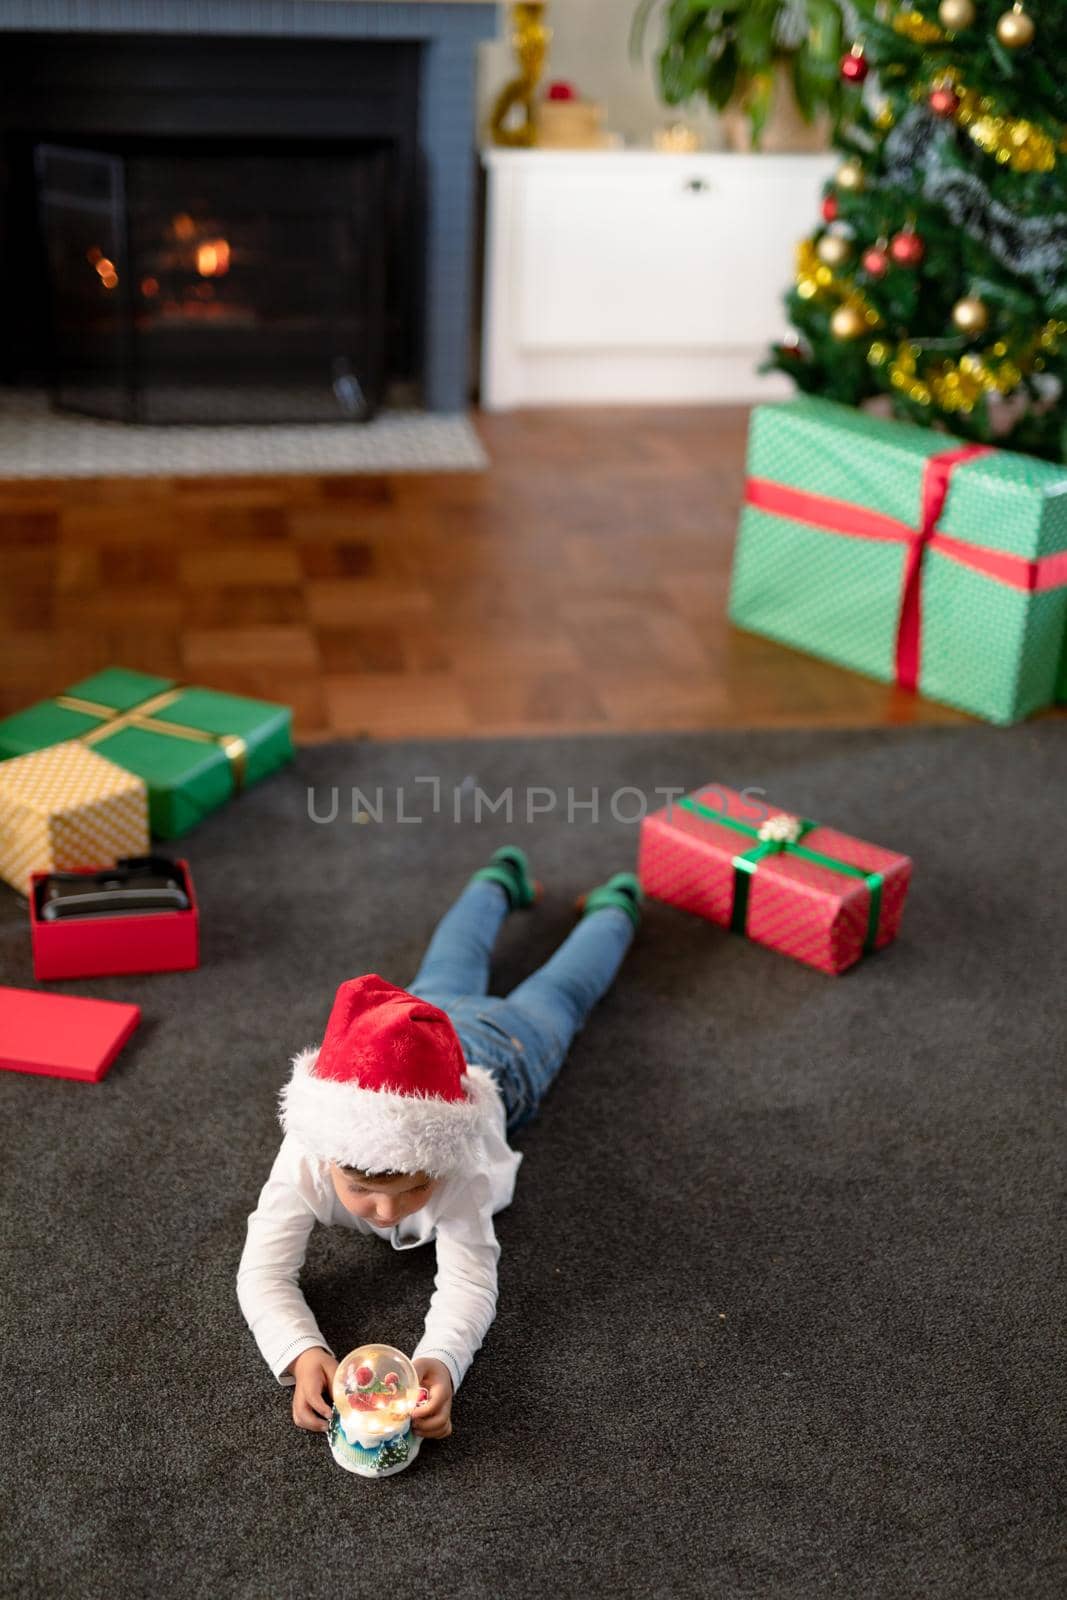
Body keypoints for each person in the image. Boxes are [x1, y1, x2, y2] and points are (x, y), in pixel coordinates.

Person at [236, 846, 643, 1444]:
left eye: (414, 1190)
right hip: (414, 1030)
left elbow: (472, 1278)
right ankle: (499, 876)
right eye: (362, 1191)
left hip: (508, 1054)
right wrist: (299, 1353)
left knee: (563, 992)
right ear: (327, 1158)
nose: (387, 1211)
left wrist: (444, 1359)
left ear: (439, 1165)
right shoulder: (308, 1148)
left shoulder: (458, 1157)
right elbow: (262, 1272)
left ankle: (614, 907)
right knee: (456, 957)